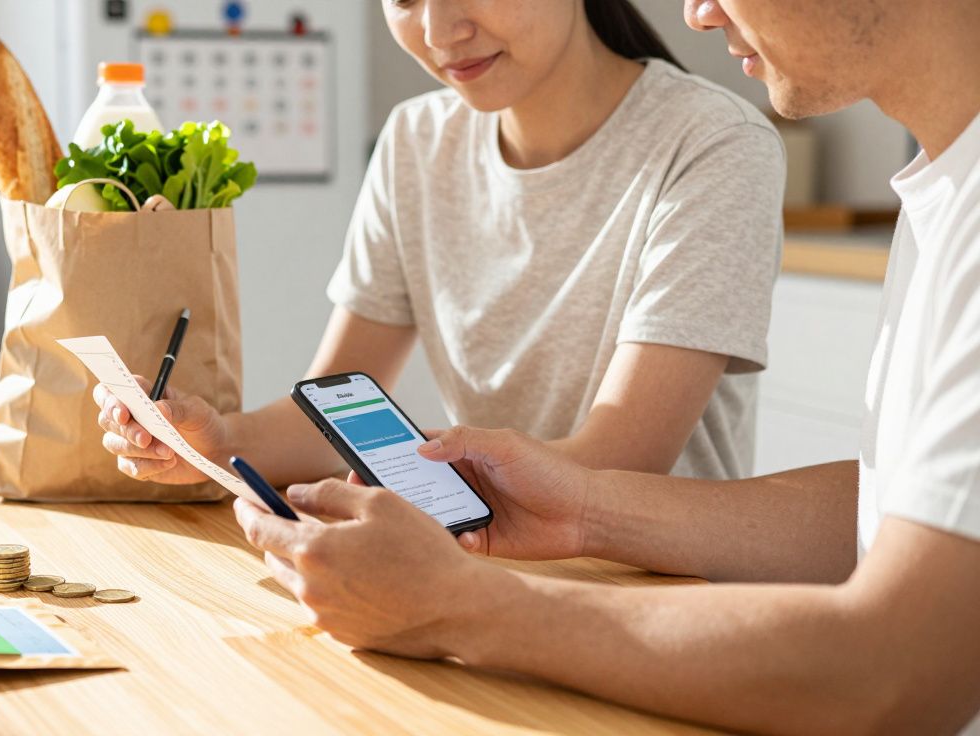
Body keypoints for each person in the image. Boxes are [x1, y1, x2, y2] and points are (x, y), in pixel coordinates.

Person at [233, 0, 980, 732]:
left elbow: (897, 672)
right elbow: (891, 510)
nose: (698, 13)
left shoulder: (718, 140)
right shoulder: (944, 195)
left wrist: (455, 604)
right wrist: (586, 509)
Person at [94, 0, 785, 485]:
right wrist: (220, 441)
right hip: (481, 571)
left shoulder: (711, 144)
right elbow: (334, 410)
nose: (438, 30)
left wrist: (401, 471)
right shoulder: (416, 142)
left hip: (654, 599)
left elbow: (619, 463)